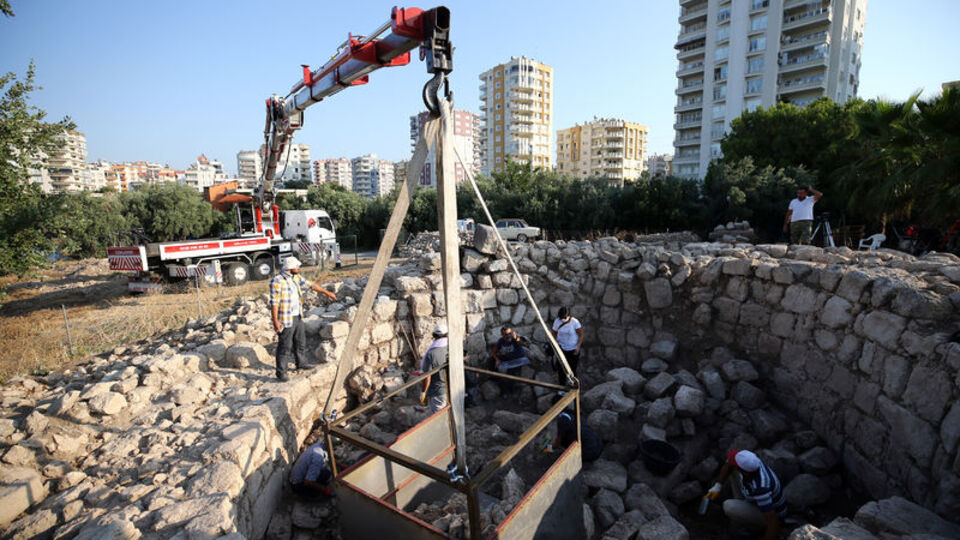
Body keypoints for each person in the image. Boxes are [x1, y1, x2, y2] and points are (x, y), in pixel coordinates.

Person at [269, 257, 337, 381]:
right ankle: (281, 372)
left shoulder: (296, 277)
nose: (299, 268)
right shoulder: (277, 281)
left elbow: (311, 285)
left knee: (300, 341)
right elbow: (274, 303)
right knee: (285, 345)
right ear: (290, 268)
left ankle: (301, 363)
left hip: (297, 315)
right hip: (285, 318)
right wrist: (275, 321)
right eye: (297, 266)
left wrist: (327, 293)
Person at [704, 449, 787, 540]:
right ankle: (742, 509)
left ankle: (752, 527)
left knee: (729, 506)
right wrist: (717, 486)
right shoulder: (753, 463)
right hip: (751, 495)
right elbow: (729, 464)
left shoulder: (761, 488)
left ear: (744, 471)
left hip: (771, 515)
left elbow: (773, 521)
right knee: (732, 469)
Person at [543, 395, 603, 462]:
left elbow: (557, 443)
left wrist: (547, 448)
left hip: (589, 452)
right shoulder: (574, 413)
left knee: (563, 441)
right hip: (599, 448)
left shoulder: (563, 419)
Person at [418, 324, 449, 413]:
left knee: (439, 417)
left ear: (434, 336)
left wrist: (423, 393)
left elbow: (427, 377)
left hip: (438, 392)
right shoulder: (452, 347)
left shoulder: (431, 353)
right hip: (452, 388)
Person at [551, 307, 583, 383]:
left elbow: (581, 335)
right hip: (561, 349)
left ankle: (573, 387)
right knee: (561, 370)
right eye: (561, 317)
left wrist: (578, 347)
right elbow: (553, 333)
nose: (563, 319)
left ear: (569, 316)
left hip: (573, 350)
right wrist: (555, 344)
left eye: (564, 317)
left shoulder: (575, 322)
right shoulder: (557, 321)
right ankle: (561, 389)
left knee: (572, 370)